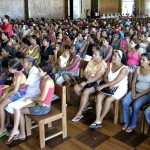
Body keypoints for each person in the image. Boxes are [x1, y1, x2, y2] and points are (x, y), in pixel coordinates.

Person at [5, 62, 54, 144]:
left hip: (43, 108)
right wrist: (30, 100)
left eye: (40, 71)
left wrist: (31, 98)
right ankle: (18, 132)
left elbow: (42, 98)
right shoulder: (43, 78)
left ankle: (18, 132)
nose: (38, 72)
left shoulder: (48, 81)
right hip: (39, 103)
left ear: (46, 72)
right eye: (39, 70)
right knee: (18, 107)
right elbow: (40, 95)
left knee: (18, 110)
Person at [89, 50, 128, 128]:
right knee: (99, 96)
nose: (113, 57)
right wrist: (108, 84)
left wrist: (104, 86)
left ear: (120, 58)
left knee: (108, 99)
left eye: (115, 56)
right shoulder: (110, 64)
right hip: (109, 85)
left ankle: (100, 119)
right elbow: (105, 77)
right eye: (113, 55)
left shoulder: (124, 68)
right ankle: (97, 118)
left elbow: (117, 81)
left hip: (120, 87)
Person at [72, 46, 107, 122]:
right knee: (76, 88)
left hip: (97, 83)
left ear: (100, 56)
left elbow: (97, 77)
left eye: (96, 54)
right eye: (93, 54)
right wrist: (87, 77)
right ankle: (86, 102)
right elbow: (85, 71)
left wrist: (86, 82)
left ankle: (79, 113)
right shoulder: (91, 60)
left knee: (86, 91)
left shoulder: (103, 64)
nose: (93, 55)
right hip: (88, 79)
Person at [122, 52, 150, 133]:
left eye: (143, 60)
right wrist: (134, 92)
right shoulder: (137, 68)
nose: (141, 61)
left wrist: (139, 95)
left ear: (149, 61)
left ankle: (132, 125)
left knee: (136, 105)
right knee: (125, 102)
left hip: (146, 94)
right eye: (141, 59)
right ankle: (126, 122)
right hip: (136, 90)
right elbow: (134, 82)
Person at [0, 59, 27, 137]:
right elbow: (13, 85)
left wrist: (5, 96)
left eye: (10, 68)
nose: (9, 69)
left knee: (1, 106)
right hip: (16, 91)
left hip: (20, 93)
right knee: (2, 103)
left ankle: (2, 128)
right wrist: (6, 90)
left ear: (16, 69)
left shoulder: (19, 75)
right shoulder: (16, 73)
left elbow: (15, 90)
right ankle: (6, 124)